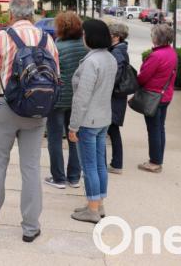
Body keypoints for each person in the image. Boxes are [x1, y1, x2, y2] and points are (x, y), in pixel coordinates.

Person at [0, 0, 59, 243]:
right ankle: (31, 227)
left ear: (11, 14)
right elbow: (56, 77)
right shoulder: (47, 39)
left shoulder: (2, 37)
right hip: (36, 109)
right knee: (31, 168)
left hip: (4, 107)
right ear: (32, 14)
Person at [68, 20, 117, 224]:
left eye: (84, 34)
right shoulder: (109, 58)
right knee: (99, 165)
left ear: (91, 36)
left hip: (88, 121)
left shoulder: (91, 62)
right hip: (103, 118)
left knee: (89, 166)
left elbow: (82, 97)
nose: (82, 37)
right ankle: (98, 204)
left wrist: (73, 126)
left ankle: (92, 210)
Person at [44, 12, 87, 190]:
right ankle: (74, 177)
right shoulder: (85, 46)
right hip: (78, 98)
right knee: (75, 137)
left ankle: (58, 178)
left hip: (58, 98)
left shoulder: (56, 47)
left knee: (54, 138)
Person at [137, 24, 178, 173]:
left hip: (153, 97)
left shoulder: (156, 56)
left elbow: (143, 77)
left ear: (157, 38)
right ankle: (158, 159)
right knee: (160, 128)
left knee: (154, 129)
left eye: (152, 35)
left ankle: (155, 162)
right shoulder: (172, 52)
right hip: (165, 95)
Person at [107, 22, 130, 174]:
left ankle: (117, 164)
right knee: (112, 129)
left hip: (114, 97)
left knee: (112, 129)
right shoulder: (118, 50)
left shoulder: (117, 52)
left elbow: (114, 76)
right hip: (116, 97)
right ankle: (116, 163)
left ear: (116, 37)